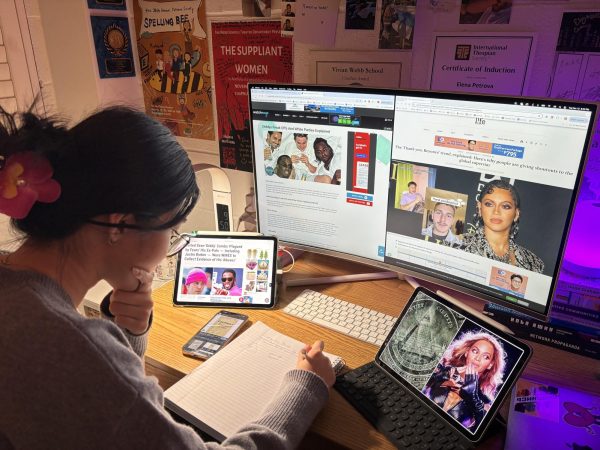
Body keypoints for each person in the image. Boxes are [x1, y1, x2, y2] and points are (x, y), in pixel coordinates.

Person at [0, 105, 335, 448]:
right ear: (119, 224)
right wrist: (305, 387)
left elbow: (113, 417)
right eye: (173, 230)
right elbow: (104, 385)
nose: (169, 246)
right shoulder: (70, 349)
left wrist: (128, 334)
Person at [423, 331, 506, 431]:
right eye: (475, 351)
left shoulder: (485, 402)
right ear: (467, 353)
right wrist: (444, 373)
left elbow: (480, 431)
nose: (477, 358)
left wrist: (473, 399)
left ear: (490, 365)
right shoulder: (443, 371)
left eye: (486, 357)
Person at [461, 179, 544, 273]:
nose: (496, 211)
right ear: (480, 208)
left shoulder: (533, 263)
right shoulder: (458, 245)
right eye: (489, 204)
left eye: (505, 206)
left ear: (516, 214)